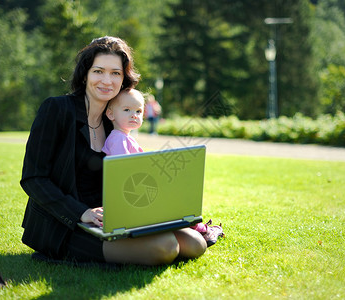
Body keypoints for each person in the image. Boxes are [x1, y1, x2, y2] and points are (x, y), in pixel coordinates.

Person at [20, 36, 207, 266]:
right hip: (66, 223)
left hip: (112, 217)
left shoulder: (116, 119)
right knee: (166, 247)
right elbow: (33, 178)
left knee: (195, 243)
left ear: (124, 78)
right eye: (98, 71)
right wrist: (82, 213)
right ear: (85, 73)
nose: (107, 81)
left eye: (115, 73)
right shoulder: (57, 109)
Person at [102, 88, 144, 156]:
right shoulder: (118, 139)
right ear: (111, 114)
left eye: (138, 111)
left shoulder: (124, 137)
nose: (134, 115)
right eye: (127, 110)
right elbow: (123, 164)